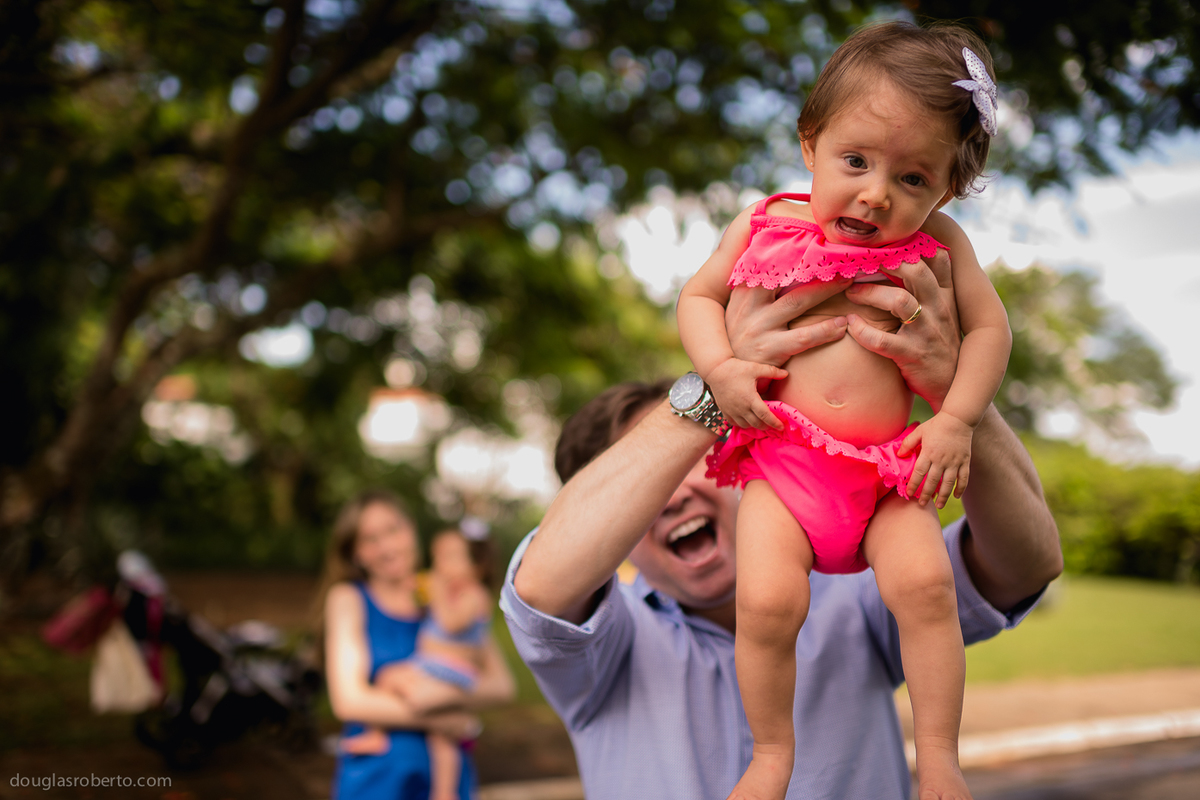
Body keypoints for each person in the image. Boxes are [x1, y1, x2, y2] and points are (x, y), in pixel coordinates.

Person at [500, 228, 1061, 797]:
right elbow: (544, 583)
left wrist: (958, 399)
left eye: (690, 459)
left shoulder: (856, 589)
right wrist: (714, 389)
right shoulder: (600, 652)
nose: (670, 495)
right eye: (650, 478)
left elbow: (1028, 562)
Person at [674, 22, 1011, 800]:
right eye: (855, 161)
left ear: (946, 189)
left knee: (927, 592)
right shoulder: (763, 225)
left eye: (914, 179)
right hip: (785, 468)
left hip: (888, 475)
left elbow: (992, 331)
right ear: (810, 143)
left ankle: (941, 762)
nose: (876, 193)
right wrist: (720, 368)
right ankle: (770, 756)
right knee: (764, 603)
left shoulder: (942, 246)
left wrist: (955, 418)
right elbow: (697, 296)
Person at [321, 491, 516, 800]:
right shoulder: (348, 598)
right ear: (355, 553)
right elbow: (349, 701)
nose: (386, 547)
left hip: (447, 781)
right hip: (377, 782)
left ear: (411, 530)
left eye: (393, 529)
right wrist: (444, 717)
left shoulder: (448, 595)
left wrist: (442, 694)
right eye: (369, 539)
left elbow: (502, 686)